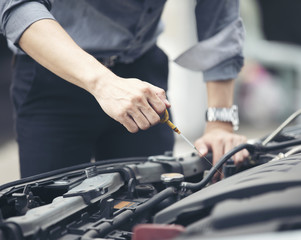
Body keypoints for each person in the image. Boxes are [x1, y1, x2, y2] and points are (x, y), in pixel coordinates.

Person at [0, 0, 249, 178]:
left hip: (143, 72)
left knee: (150, 207)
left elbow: (220, 16)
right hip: (55, 72)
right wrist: (103, 83)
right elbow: (17, 6)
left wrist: (219, 123)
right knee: (50, 214)